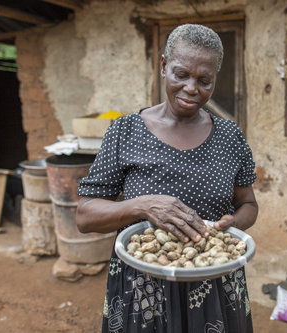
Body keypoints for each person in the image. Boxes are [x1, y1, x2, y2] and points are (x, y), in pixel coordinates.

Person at [76, 23, 258, 333]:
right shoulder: (125, 132)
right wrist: (142, 206)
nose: (191, 88)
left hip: (213, 281)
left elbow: (248, 204)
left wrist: (231, 228)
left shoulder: (230, 136)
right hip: (144, 291)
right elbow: (84, 216)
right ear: (163, 66)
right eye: (181, 74)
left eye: (204, 80)